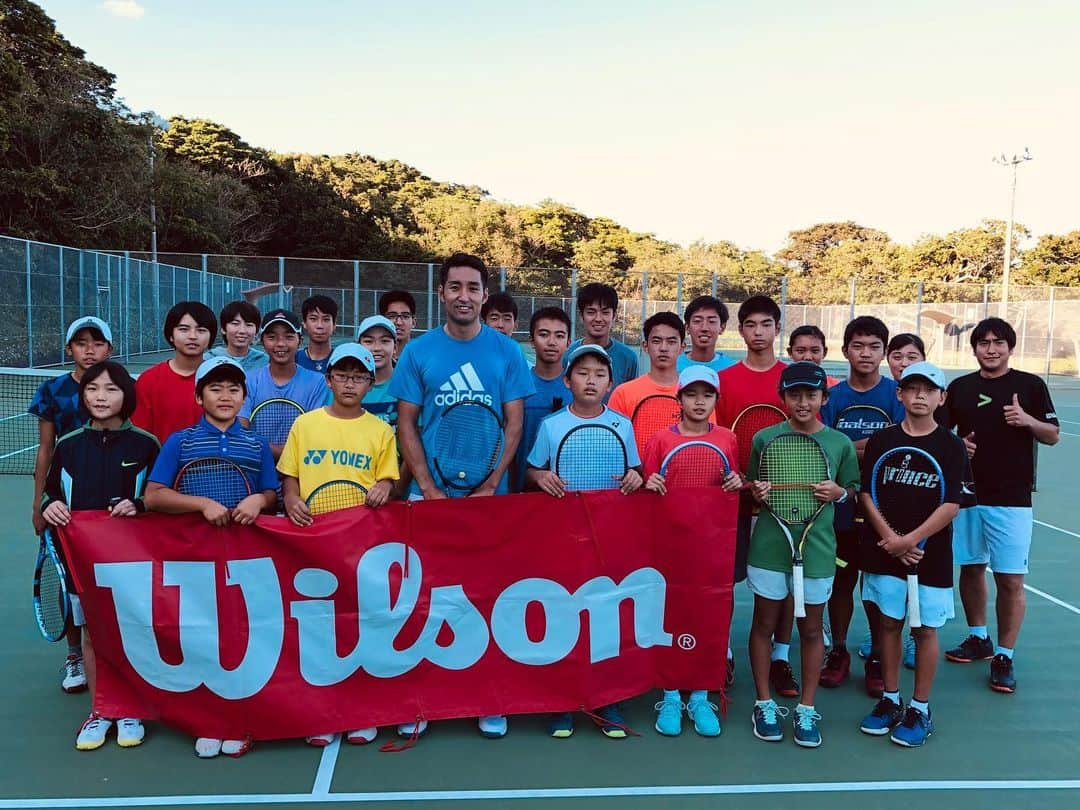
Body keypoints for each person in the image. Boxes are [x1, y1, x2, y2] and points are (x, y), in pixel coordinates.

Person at [388, 252, 533, 740]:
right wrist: (427, 488)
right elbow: (407, 422)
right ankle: (422, 699)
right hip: (429, 501)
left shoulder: (507, 352)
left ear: (484, 294)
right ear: (442, 293)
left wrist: (492, 484)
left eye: (473, 287)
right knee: (425, 599)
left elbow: (514, 423)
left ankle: (487, 697)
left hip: (490, 502)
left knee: (488, 599)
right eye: (455, 287)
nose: (464, 296)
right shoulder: (418, 352)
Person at [144, 356, 278, 759]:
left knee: (246, 638)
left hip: (246, 560)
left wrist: (259, 498)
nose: (225, 396)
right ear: (199, 395)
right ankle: (209, 719)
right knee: (201, 637)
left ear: (244, 397)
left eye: (233, 389)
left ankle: (242, 719)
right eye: (215, 389)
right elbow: (154, 496)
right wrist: (201, 504)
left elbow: (271, 494)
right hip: (193, 560)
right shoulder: (179, 442)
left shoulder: (255, 444)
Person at [279, 343, 398, 746]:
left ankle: (360, 710)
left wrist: (383, 484)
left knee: (360, 625)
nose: (350, 383)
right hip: (312, 541)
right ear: (328, 379)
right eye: (343, 375)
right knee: (318, 628)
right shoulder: (306, 424)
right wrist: (292, 499)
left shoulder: (381, 430)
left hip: (361, 543)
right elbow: (289, 476)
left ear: (370, 383)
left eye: (359, 376)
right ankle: (321, 712)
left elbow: (389, 478)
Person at [39, 361, 159, 751]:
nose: (101, 397)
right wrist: (49, 506)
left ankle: (130, 708)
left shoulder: (146, 444)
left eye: (110, 389)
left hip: (133, 562)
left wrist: (139, 505)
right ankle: (101, 709)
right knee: (92, 633)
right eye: (92, 390)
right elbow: (54, 493)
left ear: (126, 396)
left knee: (131, 633)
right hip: (83, 560)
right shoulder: (69, 445)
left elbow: (156, 500)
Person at [526, 344, 643, 739]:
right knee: (566, 618)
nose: (590, 380)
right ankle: (564, 702)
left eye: (599, 374)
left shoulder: (622, 426)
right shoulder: (551, 426)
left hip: (608, 539)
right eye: (582, 373)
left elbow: (635, 473)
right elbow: (533, 470)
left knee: (605, 619)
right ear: (567, 380)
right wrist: (539, 478)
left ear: (611, 383)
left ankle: (605, 699)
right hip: (563, 537)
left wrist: (635, 478)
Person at [939, 317, 1059, 693]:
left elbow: (1052, 435)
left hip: (1012, 498)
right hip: (969, 494)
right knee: (971, 568)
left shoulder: (1031, 385)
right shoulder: (960, 387)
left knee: (1009, 579)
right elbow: (941, 434)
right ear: (974, 348)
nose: (991, 349)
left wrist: (1027, 421)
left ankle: (1005, 654)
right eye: (984, 342)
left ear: (1010, 347)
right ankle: (979, 638)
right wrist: (959, 445)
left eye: (998, 342)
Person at [746, 362, 859, 748]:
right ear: (783, 398)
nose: (803, 402)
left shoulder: (840, 444)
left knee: (811, 629)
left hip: (818, 550)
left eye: (811, 394)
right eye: (794, 394)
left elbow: (854, 491)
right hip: (768, 548)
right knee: (763, 624)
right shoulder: (764, 439)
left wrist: (839, 493)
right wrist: (755, 492)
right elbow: (751, 485)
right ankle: (763, 702)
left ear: (824, 399)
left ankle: (807, 709)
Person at [858, 361, 966, 747]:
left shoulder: (950, 446)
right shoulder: (882, 440)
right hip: (885, 548)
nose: (919, 396)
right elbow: (867, 493)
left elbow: (952, 504)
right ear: (900, 394)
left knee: (923, 630)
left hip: (929, 556)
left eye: (928, 390)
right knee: (887, 624)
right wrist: (891, 537)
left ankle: (920, 707)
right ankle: (890, 699)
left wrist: (912, 540)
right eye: (912, 389)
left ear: (941, 397)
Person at [643, 365, 742, 737]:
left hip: (710, 547)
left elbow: (731, 482)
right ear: (680, 398)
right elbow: (648, 492)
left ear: (716, 400)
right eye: (691, 394)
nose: (699, 402)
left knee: (708, 615)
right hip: (669, 545)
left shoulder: (727, 439)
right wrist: (649, 482)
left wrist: (737, 481)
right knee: (669, 614)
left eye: (707, 395)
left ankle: (701, 695)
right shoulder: (659, 441)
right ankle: (670, 695)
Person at [818, 316, 905, 696]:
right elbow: (822, 449)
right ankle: (838, 650)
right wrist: (872, 445)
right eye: (858, 346)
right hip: (839, 509)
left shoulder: (897, 395)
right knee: (841, 582)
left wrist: (849, 448)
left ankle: (874, 657)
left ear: (884, 353)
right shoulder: (833, 397)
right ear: (845, 351)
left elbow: (900, 446)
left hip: (885, 511)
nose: (865, 353)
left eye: (873, 347)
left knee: (877, 587)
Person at [28, 315, 112, 692]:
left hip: (108, 502)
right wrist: (38, 503)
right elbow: (46, 449)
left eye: (97, 342)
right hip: (66, 504)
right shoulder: (53, 391)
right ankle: (75, 655)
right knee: (71, 582)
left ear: (109, 349)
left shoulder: (118, 386)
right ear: (69, 349)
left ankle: (112, 655)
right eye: (81, 343)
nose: (89, 349)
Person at [715, 296, 791, 693]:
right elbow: (721, 441)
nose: (758, 332)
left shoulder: (793, 377)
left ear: (777, 328)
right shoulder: (725, 381)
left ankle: (781, 657)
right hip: (734, 497)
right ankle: (722, 653)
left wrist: (773, 485)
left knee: (784, 582)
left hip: (784, 500)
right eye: (751, 325)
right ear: (741, 330)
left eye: (766, 324)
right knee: (725, 581)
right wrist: (740, 480)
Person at [609, 312, 715, 456]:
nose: (663, 348)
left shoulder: (700, 395)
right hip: (639, 478)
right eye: (656, 341)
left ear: (682, 348)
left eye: (671, 342)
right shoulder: (623, 393)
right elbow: (613, 445)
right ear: (645, 346)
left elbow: (708, 442)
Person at [240, 309, 330, 460]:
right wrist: (286, 454)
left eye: (288, 337)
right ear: (262, 341)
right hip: (257, 467)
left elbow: (313, 435)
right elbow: (241, 431)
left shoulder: (318, 382)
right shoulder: (248, 380)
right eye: (272, 337)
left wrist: (272, 452)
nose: (280, 344)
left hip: (300, 470)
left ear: (300, 341)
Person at [133, 301, 217, 445]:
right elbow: (141, 436)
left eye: (201, 330)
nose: (192, 336)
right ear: (171, 335)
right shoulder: (149, 380)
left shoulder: (222, 379)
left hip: (213, 465)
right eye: (184, 329)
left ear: (211, 337)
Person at [515, 306, 571, 492]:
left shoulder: (577, 389)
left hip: (567, 492)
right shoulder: (517, 387)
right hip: (520, 492)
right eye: (544, 334)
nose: (552, 342)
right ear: (532, 341)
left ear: (568, 342)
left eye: (559, 336)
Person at [564, 283, 638, 392]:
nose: (598, 318)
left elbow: (631, 398)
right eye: (591, 312)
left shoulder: (629, 358)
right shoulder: (568, 354)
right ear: (581, 316)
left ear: (614, 316)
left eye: (605, 312)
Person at [677, 295, 735, 372]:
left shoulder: (732, 368)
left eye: (712, 321)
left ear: (722, 327)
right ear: (687, 327)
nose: (704, 328)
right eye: (697, 321)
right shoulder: (673, 366)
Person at [205, 300, 267, 371]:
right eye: (235, 324)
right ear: (223, 329)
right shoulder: (208, 360)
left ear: (256, 330)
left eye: (249, 325)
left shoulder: (265, 362)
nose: (242, 331)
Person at [296, 295, 338, 373]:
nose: (320, 325)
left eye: (326, 319)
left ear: (334, 324)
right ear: (304, 323)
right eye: (313, 319)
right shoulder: (293, 360)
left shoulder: (341, 360)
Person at [378, 290, 417, 361]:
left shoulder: (423, 358)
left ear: (414, 322)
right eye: (392, 316)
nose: (399, 322)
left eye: (405, 316)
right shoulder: (372, 359)